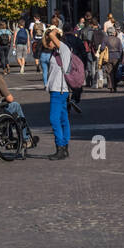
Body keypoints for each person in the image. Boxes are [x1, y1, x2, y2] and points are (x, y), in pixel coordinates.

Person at [41, 27, 73, 160]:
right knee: (63, 118)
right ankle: (64, 147)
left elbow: (52, 35)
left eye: (49, 40)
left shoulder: (63, 49)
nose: (48, 43)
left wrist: (51, 31)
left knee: (54, 119)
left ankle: (60, 147)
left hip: (59, 89)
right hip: (59, 89)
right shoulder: (56, 52)